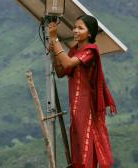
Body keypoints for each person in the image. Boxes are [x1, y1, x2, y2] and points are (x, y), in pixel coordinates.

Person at [47, 15, 117, 168]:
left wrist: (55, 39)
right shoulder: (73, 51)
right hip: (76, 106)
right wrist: (53, 51)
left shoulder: (90, 51)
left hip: (87, 106)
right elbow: (60, 71)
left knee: (87, 141)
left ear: (90, 33)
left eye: (80, 28)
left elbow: (68, 62)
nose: (75, 31)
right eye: (75, 27)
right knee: (78, 141)